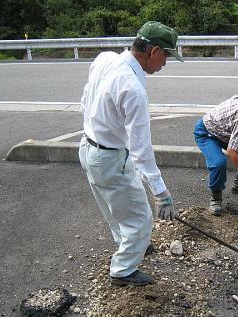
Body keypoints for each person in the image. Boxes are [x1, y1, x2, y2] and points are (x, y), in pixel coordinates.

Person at [78, 21, 183, 286]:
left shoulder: (106, 60)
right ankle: (123, 269)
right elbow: (141, 149)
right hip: (111, 158)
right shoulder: (133, 89)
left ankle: (132, 244)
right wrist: (161, 193)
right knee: (141, 218)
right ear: (154, 51)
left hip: (89, 147)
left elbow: (85, 98)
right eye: (167, 56)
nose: (165, 64)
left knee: (114, 208)